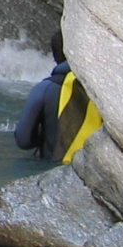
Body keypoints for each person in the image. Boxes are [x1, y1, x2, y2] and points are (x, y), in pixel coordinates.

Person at [15, 30, 102, 163]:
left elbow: (23, 140)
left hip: (55, 166)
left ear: (55, 57)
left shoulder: (44, 89)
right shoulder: (103, 86)